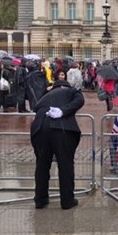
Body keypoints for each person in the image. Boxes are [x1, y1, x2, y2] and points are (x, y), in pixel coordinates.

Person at [30, 79, 85, 209]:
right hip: (61, 128)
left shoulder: (45, 96)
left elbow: (35, 107)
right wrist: (63, 110)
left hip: (39, 128)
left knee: (42, 164)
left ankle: (40, 199)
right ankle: (67, 200)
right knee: (65, 164)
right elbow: (80, 100)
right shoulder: (71, 91)